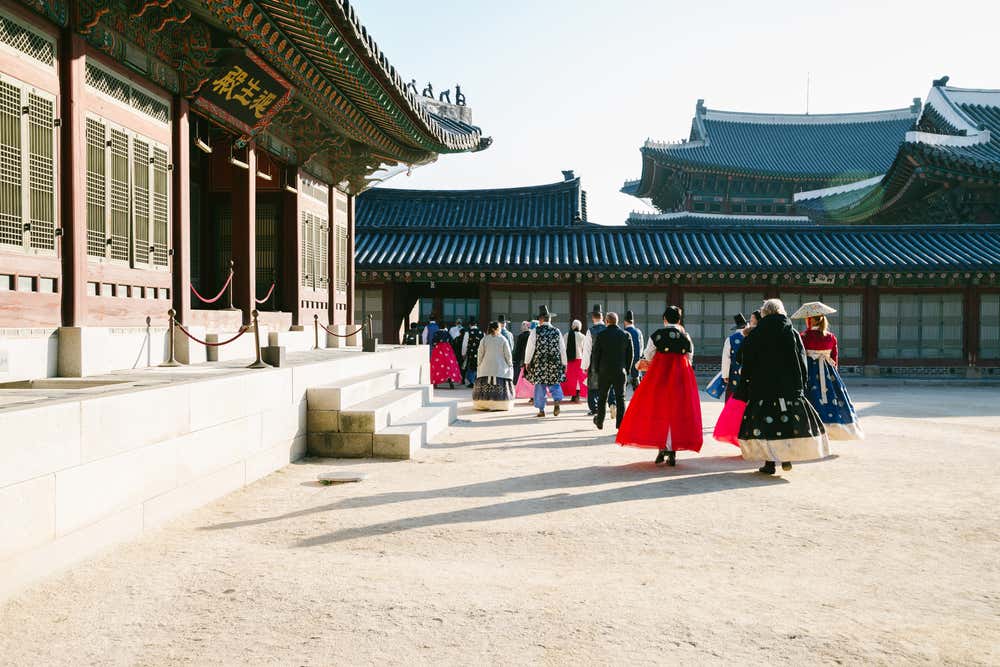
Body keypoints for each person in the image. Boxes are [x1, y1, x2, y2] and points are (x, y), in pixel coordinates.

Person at [734, 298, 830, 474]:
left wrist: (745, 384)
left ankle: (769, 463)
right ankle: (786, 457)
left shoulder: (756, 333)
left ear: (764, 313)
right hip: (788, 387)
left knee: (766, 422)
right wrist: (801, 384)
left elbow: (743, 358)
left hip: (762, 387)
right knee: (785, 420)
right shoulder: (791, 332)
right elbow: (801, 360)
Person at [616, 306, 702, 466]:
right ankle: (673, 452)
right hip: (680, 378)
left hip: (660, 377)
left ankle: (661, 448)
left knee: (659, 410)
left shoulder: (657, 335)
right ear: (679, 319)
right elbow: (690, 356)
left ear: (664, 319)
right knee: (677, 412)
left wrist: (642, 364)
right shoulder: (686, 335)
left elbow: (648, 354)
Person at [792, 302, 864, 440]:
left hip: (810, 372)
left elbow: (799, 356)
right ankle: (836, 428)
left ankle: (812, 430)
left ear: (810, 319)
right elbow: (834, 358)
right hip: (828, 372)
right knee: (833, 398)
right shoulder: (831, 337)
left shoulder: (804, 336)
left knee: (811, 398)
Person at [590, 312, 633, 430]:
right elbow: (630, 355)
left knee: (602, 396)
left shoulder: (601, 335)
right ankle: (620, 424)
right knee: (620, 397)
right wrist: (627, 369)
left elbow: (596, 354)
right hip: (620, 370)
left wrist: (597, 369)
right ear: (617, 321)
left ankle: (600, 422)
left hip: (604, 370)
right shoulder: (625, 335)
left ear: (606, 321)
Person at [523, 306, 567, 417]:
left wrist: (527, 362)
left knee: (540, 386)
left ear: (541, 319)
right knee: (554, 382)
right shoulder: (557, 331)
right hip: (554, 362)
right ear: (549, 319)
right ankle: (556, 400)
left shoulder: (535, 331)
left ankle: (541, 410)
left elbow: (530, 348)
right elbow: (562, 349)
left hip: (540, 362)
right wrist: (564, 363)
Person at [472, 321, 515, 410]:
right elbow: (508, 354)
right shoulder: (503, 339)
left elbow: (480, 354)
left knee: (485, 386)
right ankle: (501, 405)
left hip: (486, 368)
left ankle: (484, 405)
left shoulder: (484, 339)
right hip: (500, 368)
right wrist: (510, 365)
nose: (500, 329)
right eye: (499, 328)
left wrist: (479, 365)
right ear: (494, 329)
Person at [581, 304, 607, 416]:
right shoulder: (608, 330)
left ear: (593, 318)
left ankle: (594, 408)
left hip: (594, 362)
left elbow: (587, 350)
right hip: (606, 361)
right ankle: (603, 407)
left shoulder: (590, 331)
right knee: (604, 386)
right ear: (603, 317)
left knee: (592, 386)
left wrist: (584, 366)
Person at [720, 313, 748, 399]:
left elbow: (726, 359)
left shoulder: (730, 339)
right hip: (749, 373)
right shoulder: (753, 336)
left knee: (733, 398)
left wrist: (725, 375)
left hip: (734, 373)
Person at [560, 319, 588, 403]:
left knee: (570, 378)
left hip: (569, 359)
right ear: (580, 327)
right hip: (580, 359)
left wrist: (563, 360)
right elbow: (585, 349)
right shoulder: (583, 336)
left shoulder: (567, 335)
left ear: (572, 326)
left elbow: (563, 348)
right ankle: (577, 395)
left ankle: (573, 395)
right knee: (580, 378)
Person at [515, 321, 538, 403]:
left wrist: (518, 359)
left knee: (526, 379)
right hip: (535, 361)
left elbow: (519, 350)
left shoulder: (522, 336)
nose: (522, 327)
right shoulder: (534, 335)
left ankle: (532, 396)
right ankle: (534, 396)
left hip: (526, 360)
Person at [623, 310, 644, 391]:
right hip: (637, 364)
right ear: (633, 321)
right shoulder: (638, 332)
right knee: (637, 390)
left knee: (622, 390)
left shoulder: (624, 332)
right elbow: (641, 348)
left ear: (625, 321)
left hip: (626, 365)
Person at [461, 321, 484, 388]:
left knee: (471, 367)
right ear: (476, 324)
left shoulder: (468, 332)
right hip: (480, 353)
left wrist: (463, 353)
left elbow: (465, 344)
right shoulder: (481, 332)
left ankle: (472, 382)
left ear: (470, 325)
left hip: (471, 353)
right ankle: (478, 381)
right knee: (478, 367)